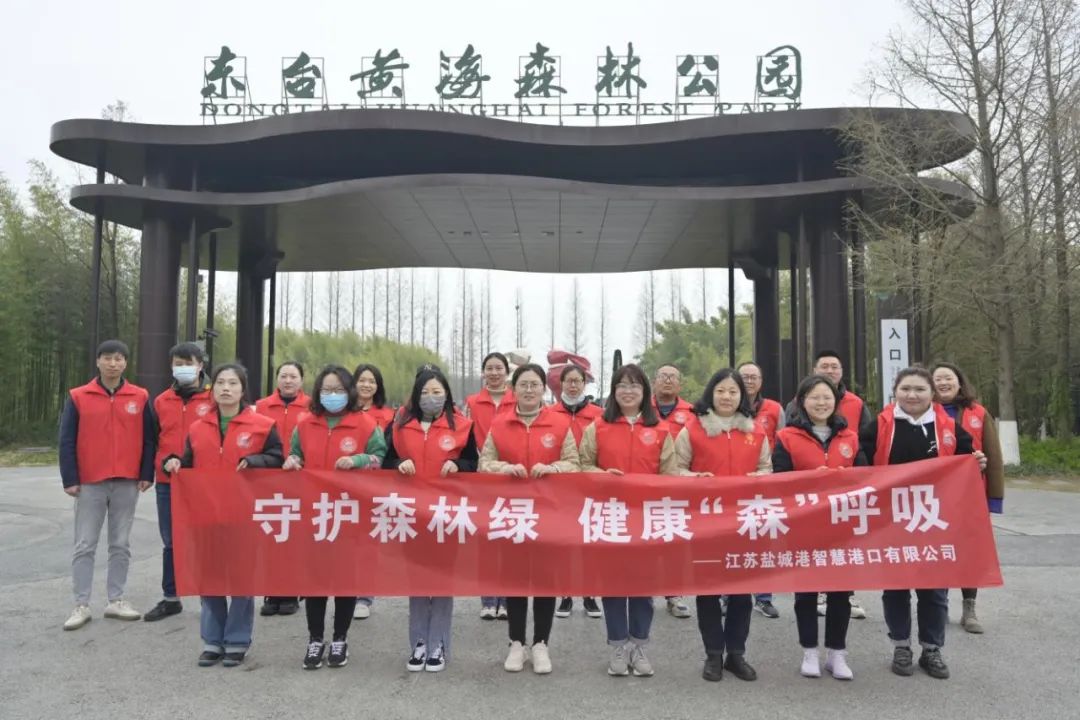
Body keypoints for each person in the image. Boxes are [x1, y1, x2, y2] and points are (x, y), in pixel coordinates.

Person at [859, 367, 987, 680]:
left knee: (934, 590)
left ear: (932, 393)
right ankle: (901, 646)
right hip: (891, 521)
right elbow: (859, 465)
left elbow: (967, 461)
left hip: (934, 521)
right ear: (895, 392)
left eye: (919, 389)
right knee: (896, 588)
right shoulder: (880, 426)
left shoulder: (948, 427)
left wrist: (977, 463)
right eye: (906, 389)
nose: (912, 395)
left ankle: (932, 649)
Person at [163, 363, 284, 667]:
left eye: (232, 383)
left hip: (244, 516)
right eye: (220, 383)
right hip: (206, 516)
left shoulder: (263, 425)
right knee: (210, 579)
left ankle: (238, 640)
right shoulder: (198, 427)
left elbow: (277, 458)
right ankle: (212, 640)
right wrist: (173, 462)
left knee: (241, 580)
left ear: (243, 390)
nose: (226, 388)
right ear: (212, 388)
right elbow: (187, 462)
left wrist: (255, 460)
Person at [282, 365, 386, 670]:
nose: (332, 395)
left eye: (339, 390)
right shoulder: (305, 424)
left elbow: (380, 458)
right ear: (317, 392)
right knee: (315, 580)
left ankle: (340, 637)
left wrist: (358, 460)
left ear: (349, 392)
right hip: (315, 512)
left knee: (344, 579)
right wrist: (292, 460)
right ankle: (315, 639)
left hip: (349, 512)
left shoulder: (365, 424)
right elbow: (296, 453)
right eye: (327, 390)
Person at [479, 363, 581, 675]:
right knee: (515, 579)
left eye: (534, 384)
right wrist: (503, 468)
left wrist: (553, 469)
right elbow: (485, 462)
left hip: (548, 513)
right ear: (514, 389)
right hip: (512, 513)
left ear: (543, 388)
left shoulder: (559, 424)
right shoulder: (500, 424)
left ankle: (540, 643)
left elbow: (574, 463)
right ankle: (516, 643)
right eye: (523, 384)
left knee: (545, 580)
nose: (529, 390)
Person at [579, 363, 677, 677]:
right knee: (613, 585)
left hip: (647, 518)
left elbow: (670, 474)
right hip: (611, 517)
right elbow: (582, 465)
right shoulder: (598, 426)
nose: (628, 391)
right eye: (622, 385)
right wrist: (601, 475)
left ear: (645, 391)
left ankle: (639, 645)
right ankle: (618, 646)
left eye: (635, 385)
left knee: (643, 587)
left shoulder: (661, 430)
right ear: (613, 391)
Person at [674, 368, 771, 682]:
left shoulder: (756, 431)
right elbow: (675, 469)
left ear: (742, 396)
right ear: (711, 394)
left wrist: (760, 477)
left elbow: (766, 468)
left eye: (733, 391)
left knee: (742, 594)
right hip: (707, 524)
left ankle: (736, 654)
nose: (727, 397)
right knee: (708, 592)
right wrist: (694, 478)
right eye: (721, 391)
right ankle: (713, 654)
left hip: (744, 523)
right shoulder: (693, 429)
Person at [772, 375, 868, 680]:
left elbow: (867, 477)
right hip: (804, 525)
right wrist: (813, 480)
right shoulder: (786, 437)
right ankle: (809, 652)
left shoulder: (850, 438)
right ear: (802, 401)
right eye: (814, 397)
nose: (821, 402)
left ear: (836, 401)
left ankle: (837, 654)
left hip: (842, 525)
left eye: (827, 397)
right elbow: (779, 478)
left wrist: (842, 478)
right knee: (806, 592)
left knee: (840, 592)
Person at [383, 367, 478, 673]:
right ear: (416, 395)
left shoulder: (462, 426)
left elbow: (474, 463)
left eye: (437, 392)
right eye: (425, 392)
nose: (431, 398)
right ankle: (418, 642)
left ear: (447, 395)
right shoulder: (400, 425)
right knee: (417, 580)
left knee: (442, 580)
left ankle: (438, 642)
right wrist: (399, 463)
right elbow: (385, 460)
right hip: (411, 513)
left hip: (445, 513)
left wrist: (458, 465)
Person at [59, 339, 156, 630]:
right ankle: (81, 604)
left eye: (119, 358)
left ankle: (116, 600)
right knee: (85, 543)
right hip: (90, 481)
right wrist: (70, 478)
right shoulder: (79, 396)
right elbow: (66, 439)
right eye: (108, 358)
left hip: (127, 480)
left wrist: (146, 473)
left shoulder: (139, 396)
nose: (113, 363)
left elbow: (149, 438)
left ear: (125, 363)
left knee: (120, 543)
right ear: (98, 361)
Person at [787, 350, 872, 620]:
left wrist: (848, 474)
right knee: (810, 556)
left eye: (835, 366)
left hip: (843, 502)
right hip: (806, 505)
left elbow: (866, 446)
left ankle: (846, 594)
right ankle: (817, 593)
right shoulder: (793, 412)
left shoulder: (856, 404)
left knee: (843, 552)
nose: (830, 370)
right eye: (824, 366)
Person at [932, 361, 1005, 634]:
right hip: (936, 497)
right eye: (938, 379)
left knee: (969, 551)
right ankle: (938, 606)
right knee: (938, 550)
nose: (943, 383)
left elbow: (993, 456)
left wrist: (994, 498)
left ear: (959, 382)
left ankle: (969, 608)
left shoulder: (978, 412)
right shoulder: (925, 413)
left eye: (948, 378)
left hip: (971, 495)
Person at [145, 342, 213, 622]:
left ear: (201, 366)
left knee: (207, 539)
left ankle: (211, 597)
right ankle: (171, 597)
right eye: (178, 364)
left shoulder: (214, 398)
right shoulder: (162, 401)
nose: (183, 368)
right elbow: (151, 440)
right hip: (168, 481)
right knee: (171, 541)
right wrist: (148, 473)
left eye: (188, 363)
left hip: (204, 482)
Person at [254, 360, 308, 617]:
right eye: (284, 376)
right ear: (276, 379)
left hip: (300, 478)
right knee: (271, 536)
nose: (288, 381)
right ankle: (271, 591)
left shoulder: (311, 407)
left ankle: (291, 591)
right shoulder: (262, 406)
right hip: (269, 478)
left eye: (293, 376)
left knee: (295, 537)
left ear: (302, 381)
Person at [551, 364, 604, 620]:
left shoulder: (598, 414)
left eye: (578, 381)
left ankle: (590, 594)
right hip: (561, 486)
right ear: (561, 384)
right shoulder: (550, 414)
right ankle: (565, 593)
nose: (573, 386)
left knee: (589, 543)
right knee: (564, 542)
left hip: (591, 486)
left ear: (584, 384)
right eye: (568, 381)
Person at [466, 351, 516, 620]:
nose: (494, 373)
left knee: (509, 536)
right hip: (482, 477)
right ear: (483, 372)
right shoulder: (472, 402)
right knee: (486, 537)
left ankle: (507, 600)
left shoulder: (517, 399)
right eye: (490, 368)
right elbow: (463, 434)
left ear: (507, 372)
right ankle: (487, 599)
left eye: (499, 368)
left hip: (512, 477)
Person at [738, 360, 785, 620]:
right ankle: (728, 595)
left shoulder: (774, 409)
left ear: (761, 381)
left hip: (765, 483)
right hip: (733, 484)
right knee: (732, 539)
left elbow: (783, 441)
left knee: (764, 540)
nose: (749, 381)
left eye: (753, 377)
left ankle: (764, 598)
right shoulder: (726, 406)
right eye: (744, 376)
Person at [650, 363, 695, 620]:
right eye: (663, 376)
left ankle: (674, 594)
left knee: (674, 540)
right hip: (645, 485)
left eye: (673, 377)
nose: (668, 381)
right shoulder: (641, 408)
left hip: (678, 488)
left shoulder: (692, 412)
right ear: (654, 382)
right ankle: (642, 591)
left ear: (680, 384)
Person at [351, 362, 395, 619]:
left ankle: (364, 597)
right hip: (344, 487)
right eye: (362, 380)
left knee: (367, 542)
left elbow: (387, 452)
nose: (366, 385)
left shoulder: (388, 416)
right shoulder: (344, 413)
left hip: (374, 487)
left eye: (371, 381)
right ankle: (346, 590)